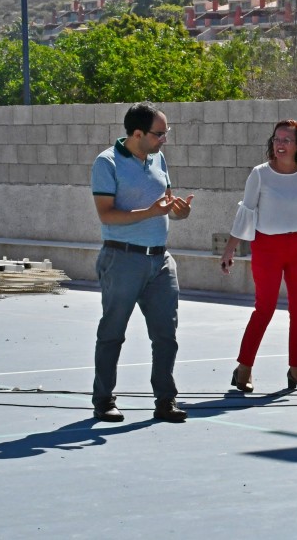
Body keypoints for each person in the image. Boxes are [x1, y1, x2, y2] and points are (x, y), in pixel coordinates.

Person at [90, 102, 193, 423]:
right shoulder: (107, 162)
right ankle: (104, 399)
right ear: (137, 134)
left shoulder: (158, 158)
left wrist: (180, 212)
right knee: (112, 333)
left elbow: (167, 204)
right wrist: (150, 212)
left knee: (166, 336)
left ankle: (166, 400)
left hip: (160, 261)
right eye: (159, 134)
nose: (165, 139)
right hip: (122, 259)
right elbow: (106, 215)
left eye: (166, 132)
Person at [220, 119, 297, 393]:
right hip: (267, 248)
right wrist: (230, 248)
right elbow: (246, 212)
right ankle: (244, 367)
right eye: (277, 139)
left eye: (286, 140)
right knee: (265, 308)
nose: (280, 145)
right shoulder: (260, 174)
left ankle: (296, 369)